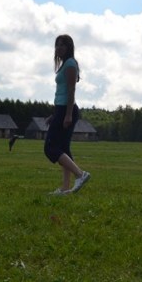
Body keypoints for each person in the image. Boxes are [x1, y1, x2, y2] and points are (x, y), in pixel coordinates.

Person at [44, 34, 91, 195]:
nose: (58, 48)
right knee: (64, 148)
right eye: (57, 45)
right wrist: (55, 114)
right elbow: (62, 92)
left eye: (62, 45)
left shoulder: (70, 63)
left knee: (50, 148)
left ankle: (80, 174)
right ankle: (65, 187)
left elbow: (71, 91)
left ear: (69, 47)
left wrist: (68, 115)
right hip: (61, 110)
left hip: (66, 110)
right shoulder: (65, 64)